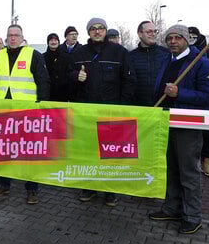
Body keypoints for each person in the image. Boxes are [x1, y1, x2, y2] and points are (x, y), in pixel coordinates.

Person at [148, 25, 209, 234]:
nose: (173, 41)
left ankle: (192, 216)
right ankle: (172, 208)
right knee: (170, 168)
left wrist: (180, 93)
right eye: (169, 38)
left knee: (188, 171)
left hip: (187, 126)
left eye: (178, 37)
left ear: (187, 40)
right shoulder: (166, 61)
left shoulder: (201, 63)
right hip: (165, 123)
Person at [69, 17, 136, 206]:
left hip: (111, 111)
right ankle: (89, 187)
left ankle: (109, 190)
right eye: (93, 28)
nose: (97, 31)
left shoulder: (119, 52)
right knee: (88, 151)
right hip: (87, 112)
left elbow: (129, 80)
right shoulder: (79, 53)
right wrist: (75, 76)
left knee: (110, 153)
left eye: (100, 28)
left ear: (106, 31)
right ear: (88, 32)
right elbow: (67, 75)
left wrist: (122, 107)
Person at [0, 24, 50, 204]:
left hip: (27, 112)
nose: (13, 38)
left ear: (22, 37)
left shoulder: (34, 55)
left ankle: (32, 188)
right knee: (4, 149)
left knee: (29, 151)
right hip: (3, 110)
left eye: (16, 35)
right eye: (10, 35)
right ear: (6, 38)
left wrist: (41, 105)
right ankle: (3, 184)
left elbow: (43, 81)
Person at [187, 26, 209, 178]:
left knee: (205, 133)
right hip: (186, 99)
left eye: (194, 36)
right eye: (189, 36)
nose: (191, 39)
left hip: (203, 101)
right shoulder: (181, 52)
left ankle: (206, 162)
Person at [128, 21, 170, 107]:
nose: (153, 34)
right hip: (138, 107)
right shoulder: (130, 56)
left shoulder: (166, 54)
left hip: (163, 106)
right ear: (140, 34)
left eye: (155, 31)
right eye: (149, 31)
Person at [43, 32, 71, 102]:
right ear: (48, 42)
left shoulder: (66, 57)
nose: (53, 42)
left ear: (58, 42)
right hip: (47, 92)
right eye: (51, 40)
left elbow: (69, 73)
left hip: (63, 93)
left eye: (55, 40)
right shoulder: (42, 57)